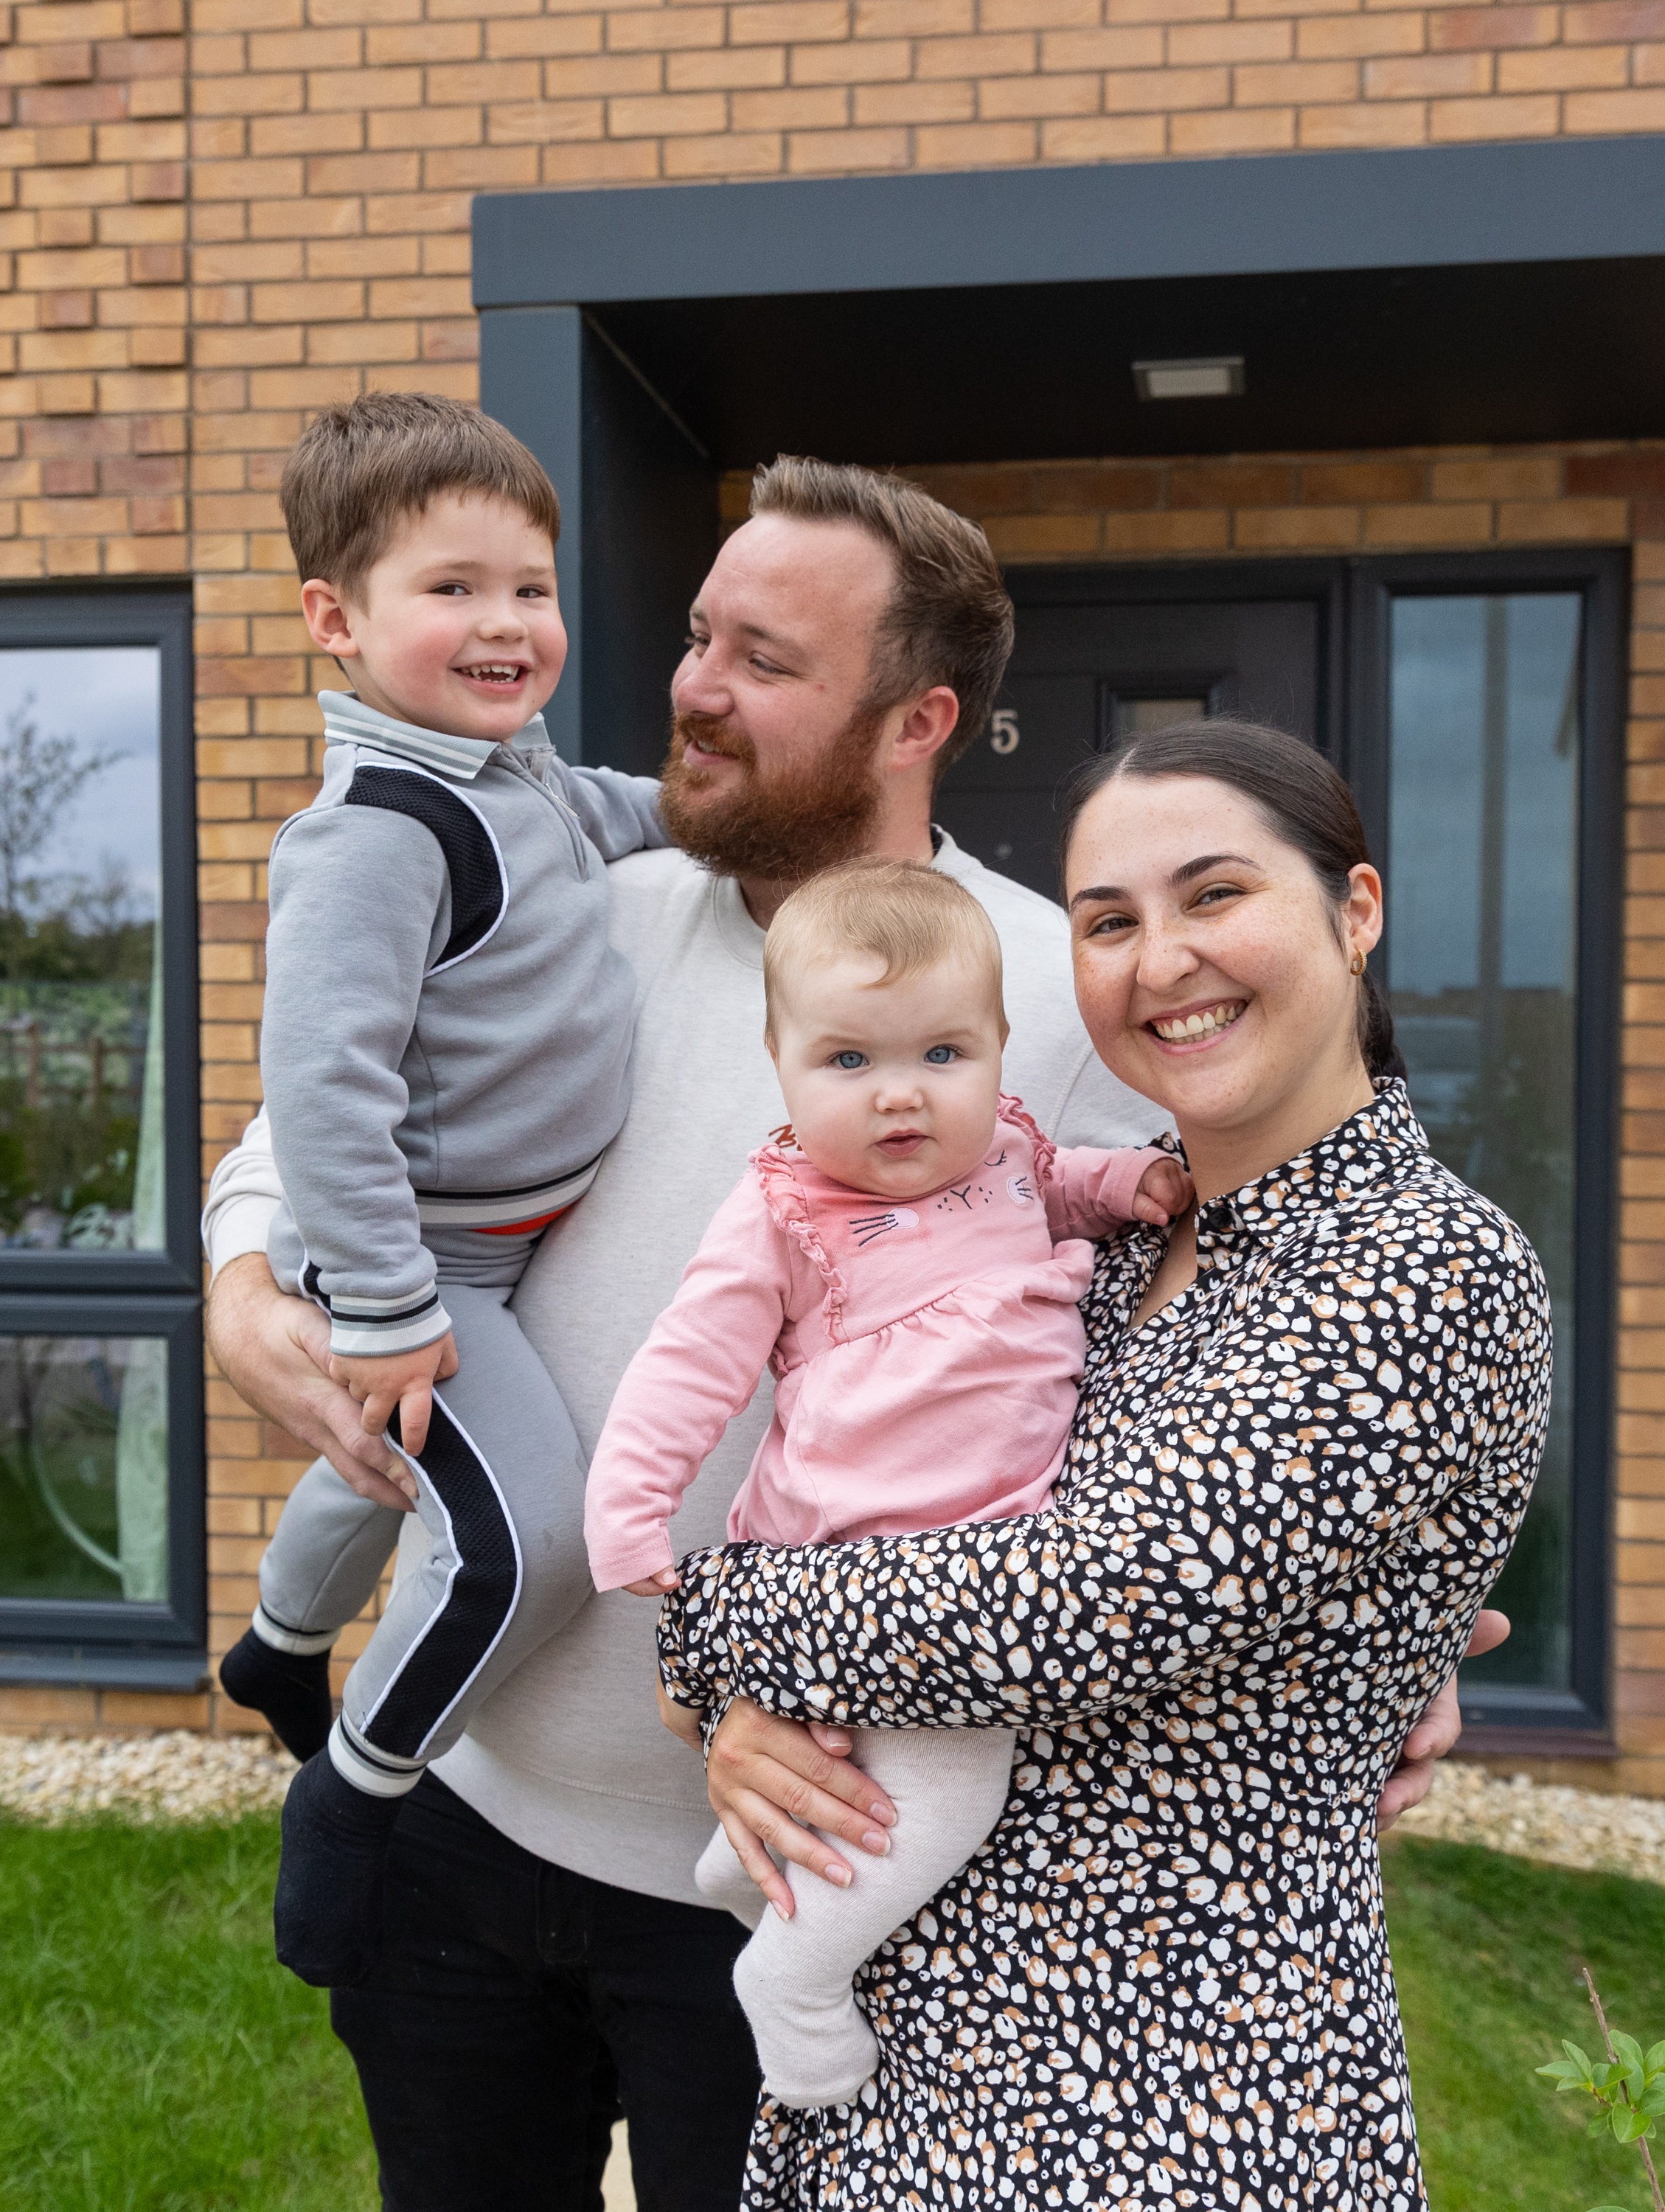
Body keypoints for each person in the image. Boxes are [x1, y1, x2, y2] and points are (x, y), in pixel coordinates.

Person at [202, 461, 1501, 2208]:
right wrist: (237, 1285)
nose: (693, 690)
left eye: (764, 659)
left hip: (789, 1861)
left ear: (919, 718)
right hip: (471, 1805)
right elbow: (319, 1100)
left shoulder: (1063, 997)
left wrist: (1361, 1659)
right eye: (693, 636)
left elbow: (1216, 1370)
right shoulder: (585, 902)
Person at [653, 719, 1555, 2207]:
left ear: (1357, 911)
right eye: (1108, 921)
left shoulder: (1427, 1266)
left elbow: (1072, 1606)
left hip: (1167, 2108)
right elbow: (926, 1519)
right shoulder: (1114, 1234)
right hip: (908, 2092)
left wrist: (709, 1624)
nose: (1160, 962)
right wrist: (741, 1712)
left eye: (1215, 896)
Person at [583, 858, 1194, 2109]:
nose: (900, 1097)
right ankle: (795, 1977)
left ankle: (750, 1879)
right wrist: (628, 1511)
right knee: (938, 1784)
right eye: (848, 1062)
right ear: (782, 1060)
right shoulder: (785, 1213)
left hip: (981, 1559)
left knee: (849, 1776)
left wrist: (1125, 1184)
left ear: (998, 1052)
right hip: (838, 1556)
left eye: (942, 1056)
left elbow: (1063, 1183)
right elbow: (686, 1368)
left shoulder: (1013, 1154)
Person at [226, 391, 674, 1990]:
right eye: (453, 589)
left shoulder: (515, 778)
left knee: (378, 1469)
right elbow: (326, 1089)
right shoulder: (374, 834)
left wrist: (729, 816)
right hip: (428, 1258)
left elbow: (620, 816)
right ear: (335, 622)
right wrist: (395, 1304)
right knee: (518, 1550)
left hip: (481, 1248)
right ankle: (355, 1800)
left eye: (530, 590)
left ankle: (277, 1651)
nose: (506, 624)